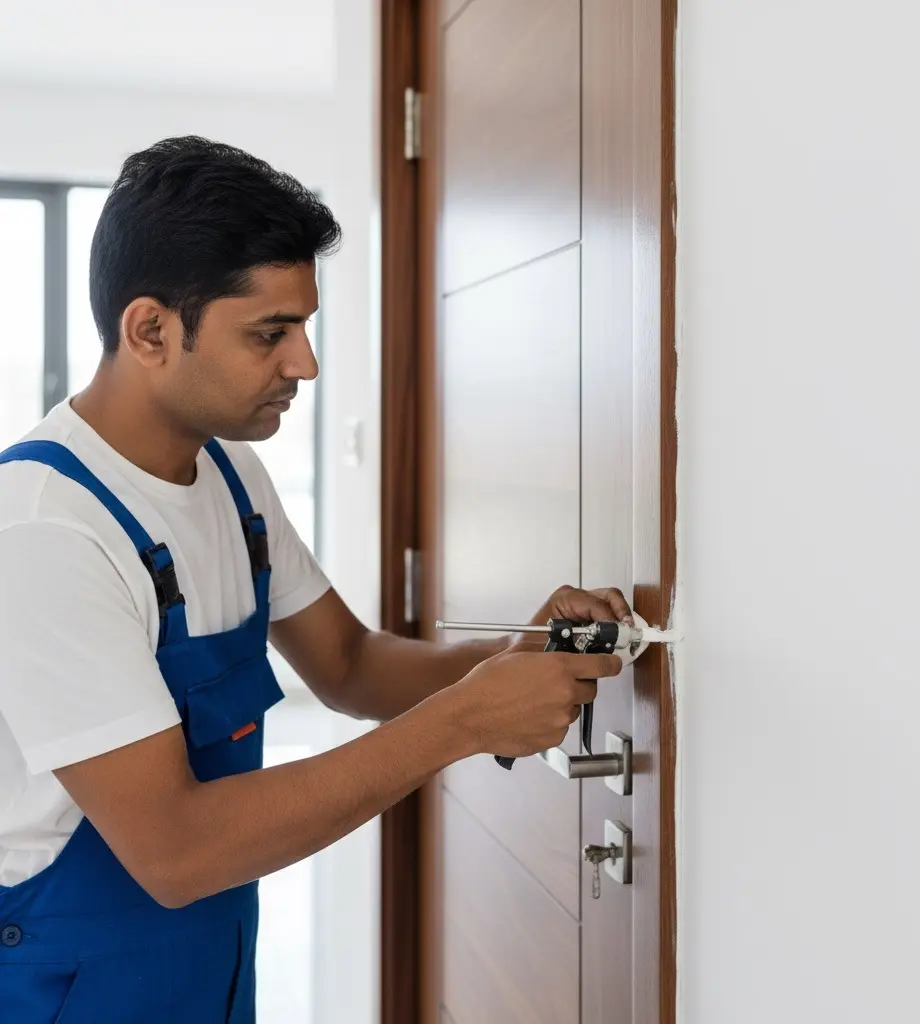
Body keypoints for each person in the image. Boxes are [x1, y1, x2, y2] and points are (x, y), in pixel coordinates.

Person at [0, 136, 626, 1022]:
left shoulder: (228, 475)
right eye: (270, 334)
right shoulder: (43, 530)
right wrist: (462, 721)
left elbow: (350, 665)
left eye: (304, 327)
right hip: (67, 988)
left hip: (205, 970)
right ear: (150, 330)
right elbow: (174, 851)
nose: (305, 365)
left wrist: (507, 658)